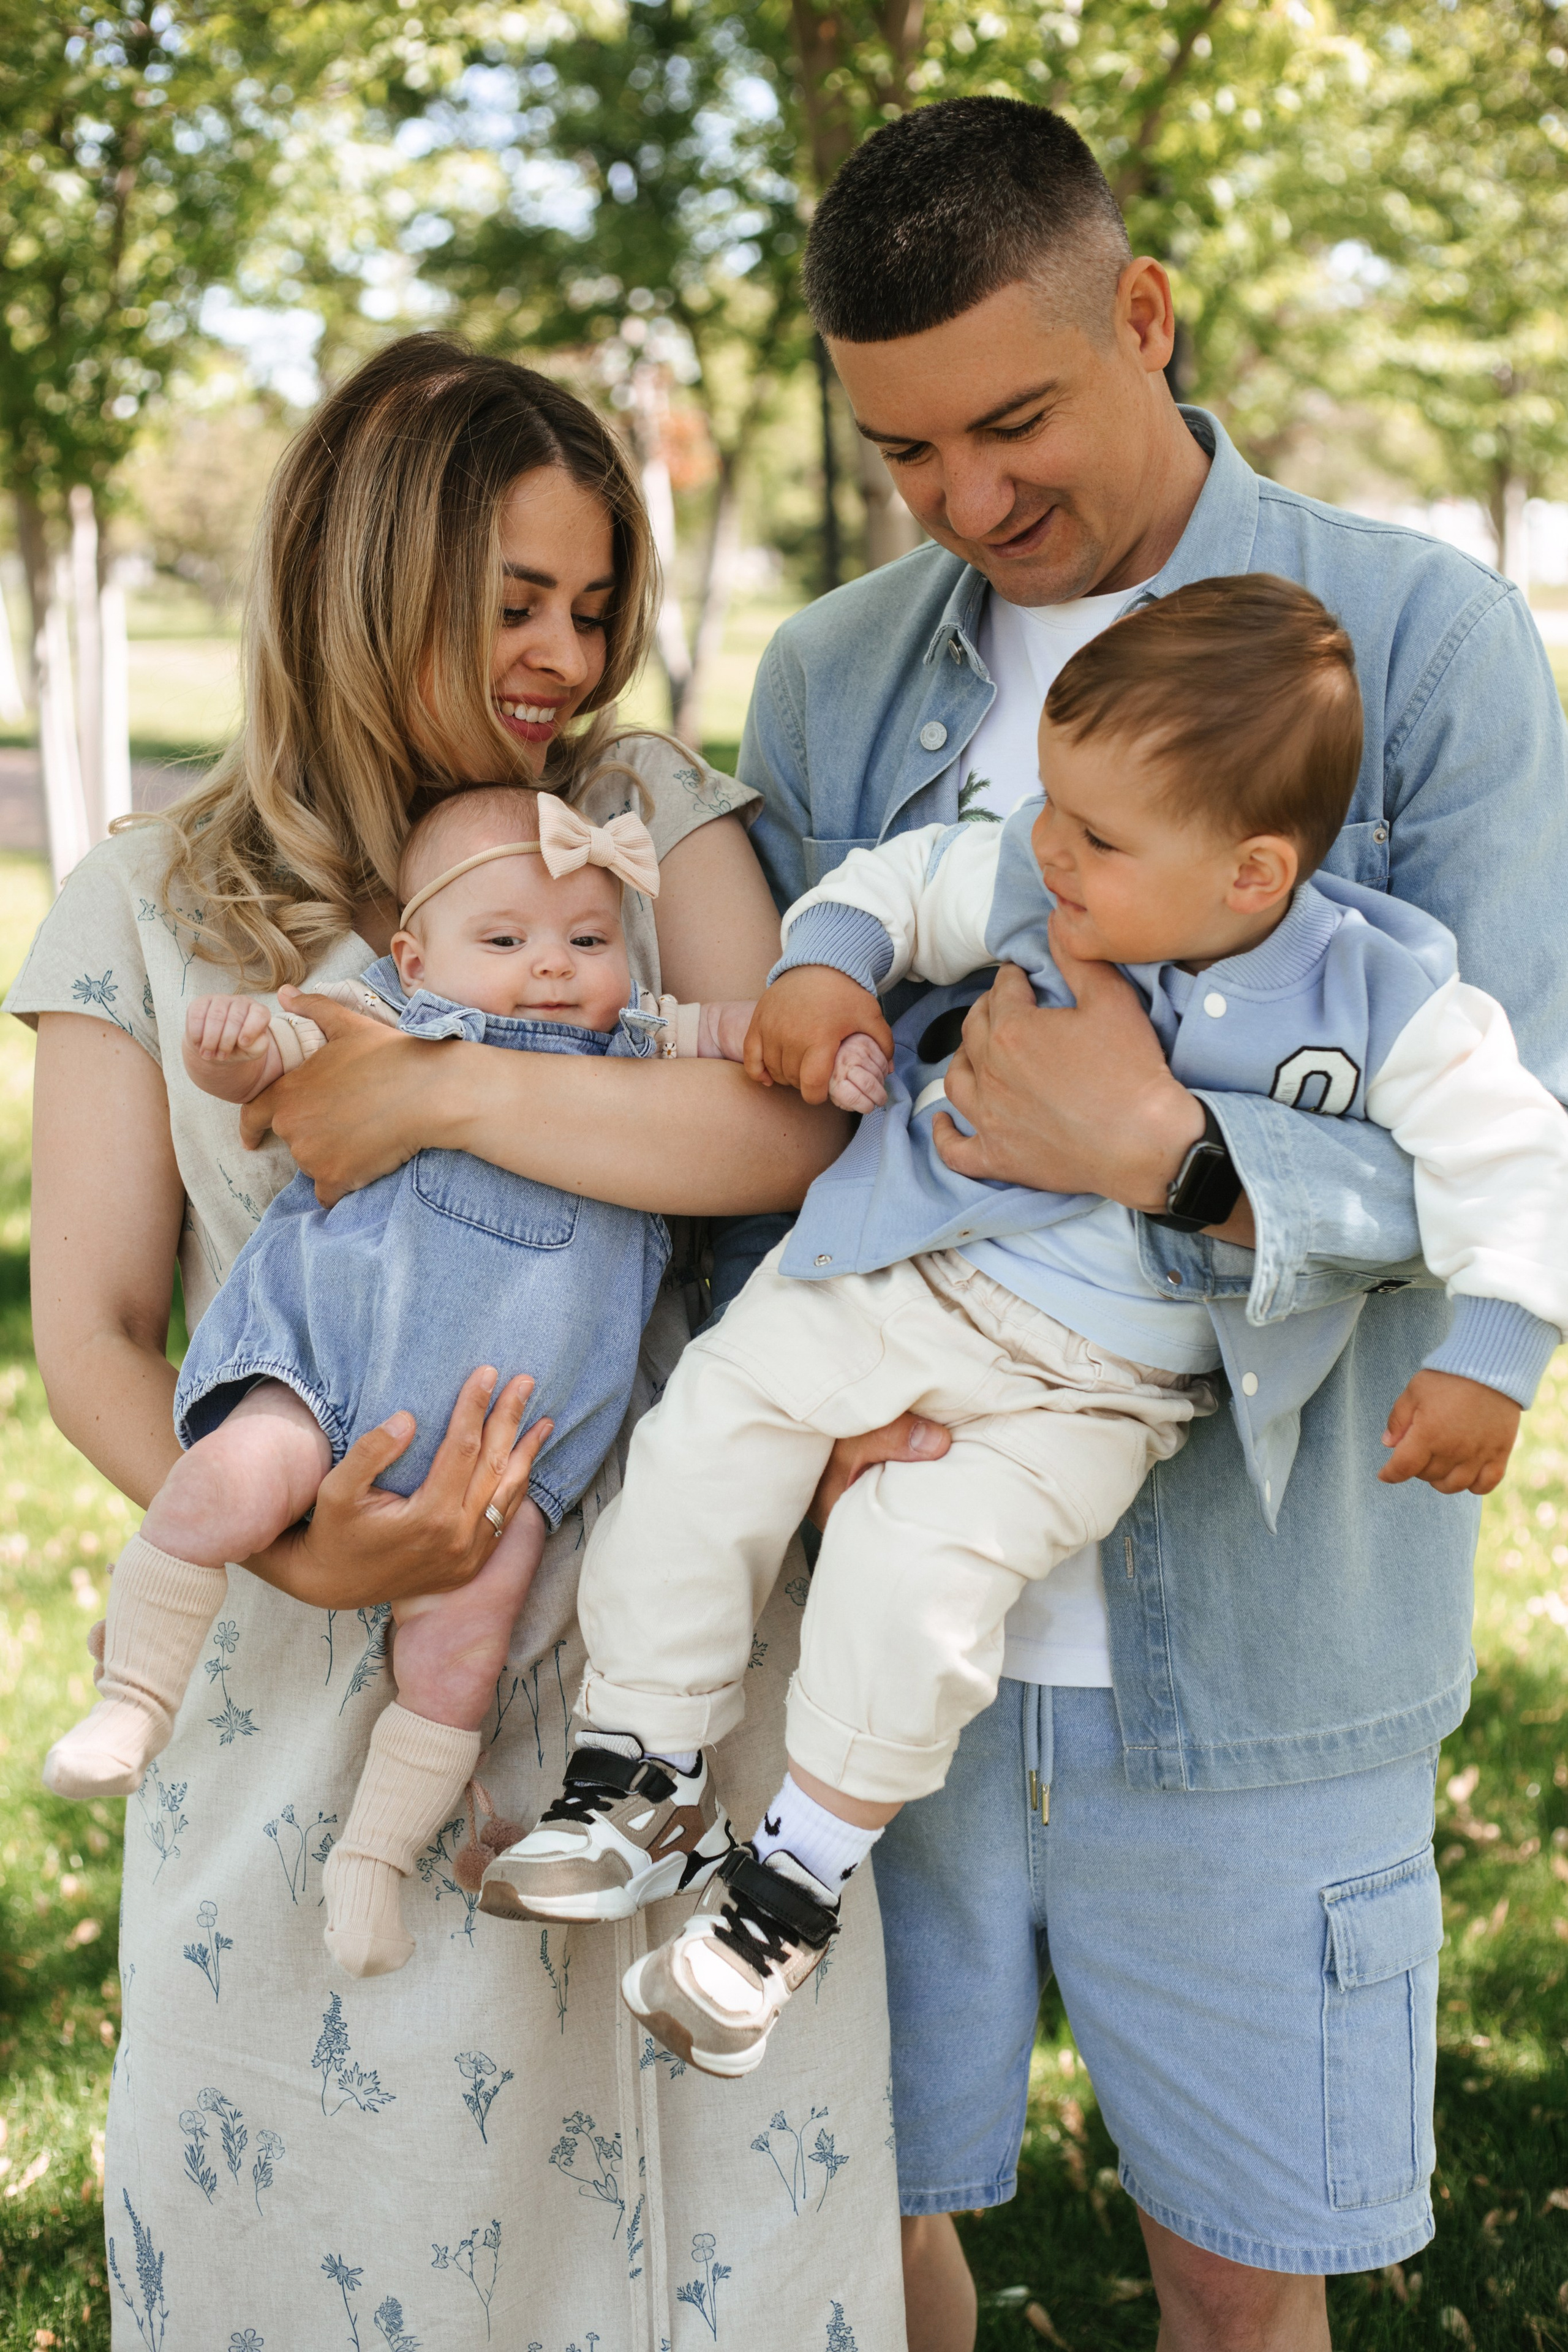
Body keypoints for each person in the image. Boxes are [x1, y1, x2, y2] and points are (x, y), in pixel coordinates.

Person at [731, 97, 1568, 2352]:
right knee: (860, 2245)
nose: (970, 502)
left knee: (1238, 2290)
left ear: (1147, 317)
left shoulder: (1422, 642)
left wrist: (1165, 1157)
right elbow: (781, 1121)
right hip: (889, 1655)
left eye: (1014, 421)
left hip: (1268, 1644)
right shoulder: (827, 682)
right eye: (908, 454)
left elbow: (1525, 1128)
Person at [12, 335, 908, 2350]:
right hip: (296, 1708)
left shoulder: (639, 819)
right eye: (515, 602)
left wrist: (436, 1093)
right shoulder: (145, 907)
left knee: (696, 2262)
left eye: (594, 608)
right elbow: (94, 1331)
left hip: (652, 1687)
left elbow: (772, 1111)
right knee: (344, 2259)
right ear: (368, 575)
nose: (565, 656)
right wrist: (295, 1541)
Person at [489, 575, 1566, 2084]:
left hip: (1095, 1391)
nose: (1047, 844)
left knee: (912, 1579)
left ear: (1252, 872)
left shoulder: (1380, 996)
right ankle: (638, 1765)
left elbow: (1517, 1162)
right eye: (1049, 808)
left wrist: (1490, 1362)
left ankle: (785, 1891)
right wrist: (816, 971)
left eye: (1097, 836)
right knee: (707, 1442)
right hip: (894, 1272)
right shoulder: (1032, 877)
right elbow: (893, 880)